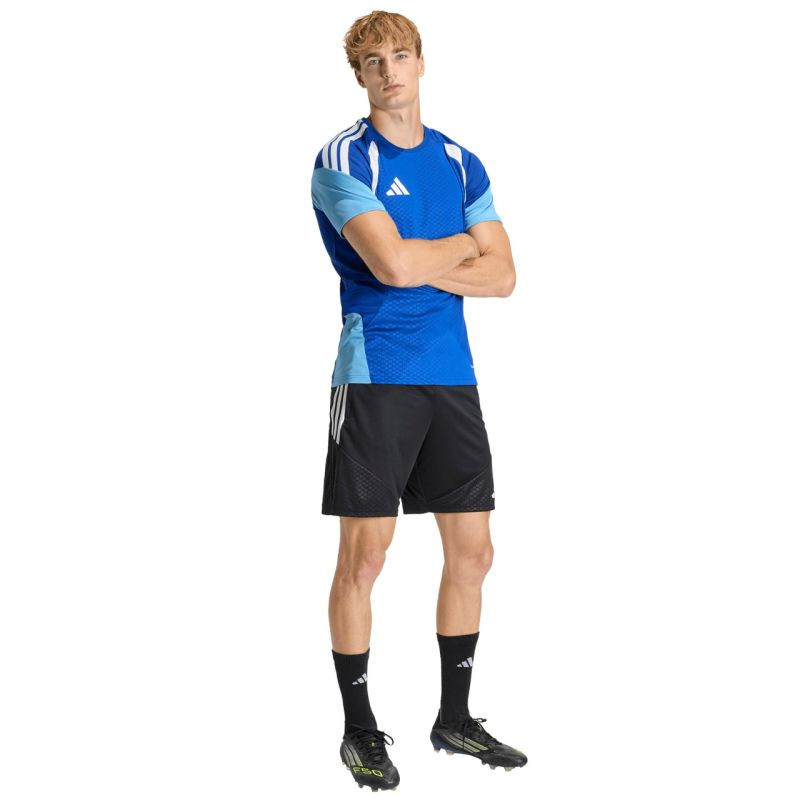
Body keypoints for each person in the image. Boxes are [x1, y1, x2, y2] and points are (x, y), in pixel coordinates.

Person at [310, 11, 526, 791]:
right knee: (366, 557)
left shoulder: (461, 162)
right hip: (376, 376)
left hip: (451, 375)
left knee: (475, 553)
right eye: (373, 62)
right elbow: (393, 269)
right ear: (359, 76)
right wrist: (462, 247)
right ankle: (359, 730)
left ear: (421, 62)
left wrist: (422, 257)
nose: (389, 71)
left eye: (400, 55)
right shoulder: (344, 159)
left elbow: (505, 276)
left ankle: (454, 719)